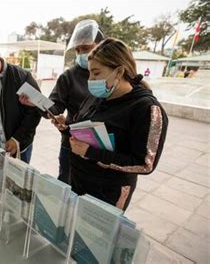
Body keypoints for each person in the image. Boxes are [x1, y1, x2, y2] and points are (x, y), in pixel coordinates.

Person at [55, 38, 168, 211]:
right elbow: (84, 129)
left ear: (119, 71)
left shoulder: (146, 109)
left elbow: (145, 164)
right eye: (90, 73)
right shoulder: (97, 96)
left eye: (96, 73)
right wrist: (67, 128)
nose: (90, 79)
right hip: (78, 181)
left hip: (108, 192)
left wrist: (90, 152)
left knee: (96, 235)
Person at [19, 19, 104, 183]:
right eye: (78, 50)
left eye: (86, 49)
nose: (82, 55)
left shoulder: (112, 75)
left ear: (101, 45)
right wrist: (36, 102)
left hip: (102, 147)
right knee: (67, 185)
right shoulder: (69, 76)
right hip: (71, 142)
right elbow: (55, 108)